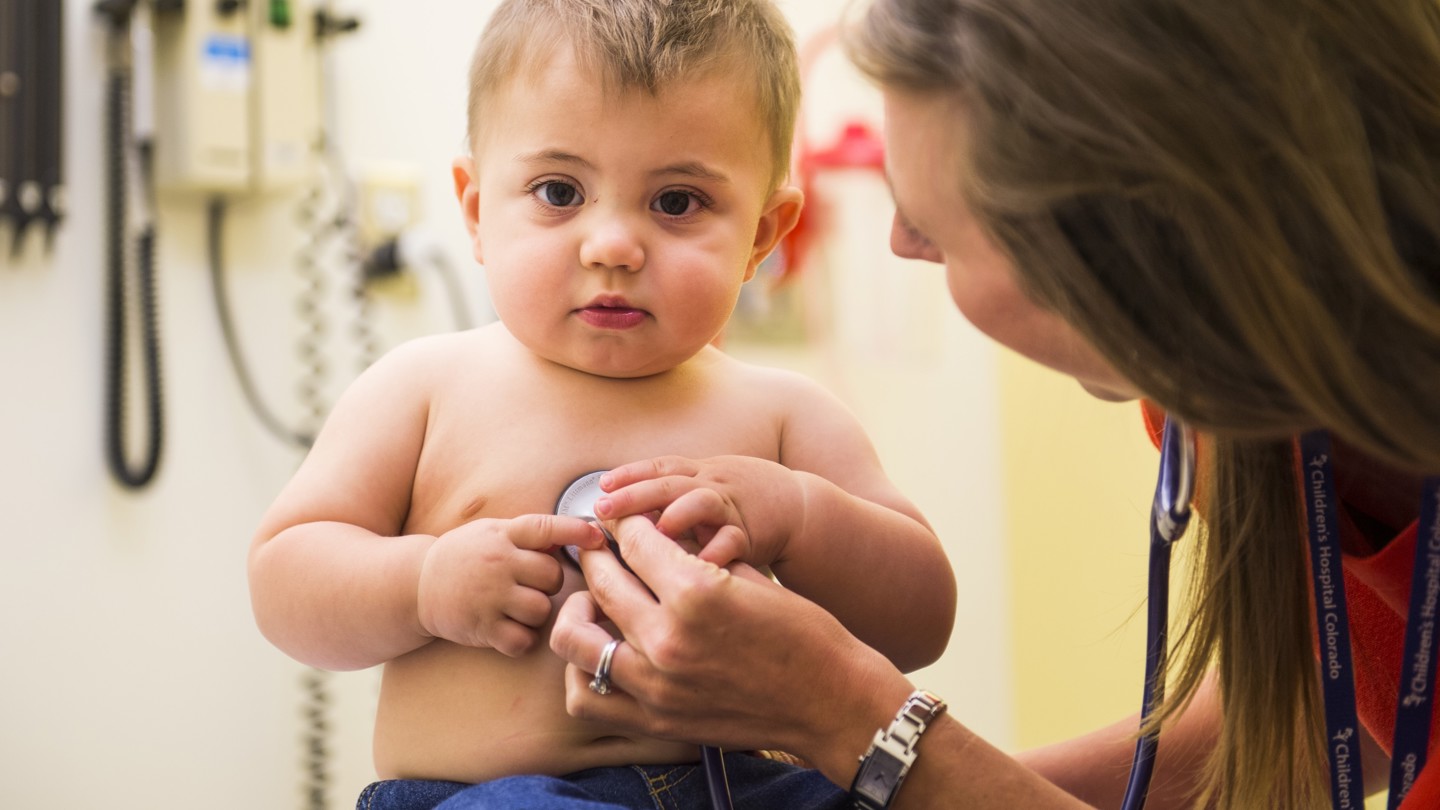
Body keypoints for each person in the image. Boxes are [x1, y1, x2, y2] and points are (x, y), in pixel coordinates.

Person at [547, 0, 1440, 807]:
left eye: (935, 223)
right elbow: (1338, 713)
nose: (901, 244)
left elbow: (917, 612)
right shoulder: (1219, 402)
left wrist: (854, 720)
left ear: (1143, 242)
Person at [246, 1, 957, 808]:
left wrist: (800, 515)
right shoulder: (423, 388)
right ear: (478, 211)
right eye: (559, 190)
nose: (612, 246)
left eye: (678, 202)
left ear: (763, 235)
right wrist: (422, 583)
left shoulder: (785, 416)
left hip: (746, 790)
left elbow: (921, 620)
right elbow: (284, 578)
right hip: (491, 797)